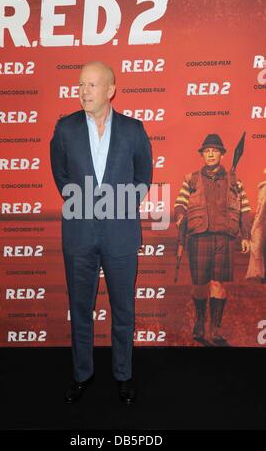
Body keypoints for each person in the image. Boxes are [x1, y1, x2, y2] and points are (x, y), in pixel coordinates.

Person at [50, 61, 152, 404]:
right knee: (80, 308)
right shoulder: (64, 129)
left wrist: (119, 206)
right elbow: (61, 177)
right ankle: (82, 374)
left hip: (120, 233)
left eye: (92, 85)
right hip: (79, 233)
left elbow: (143, 178)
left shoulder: (134, 130)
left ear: (110, 89)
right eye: (81, 85)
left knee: (123, 310)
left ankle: (123, 375)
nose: (83, 91)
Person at [174, 134, 251, 345]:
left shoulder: (235, 180)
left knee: (218, 283)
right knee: (200, 284)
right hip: (199, 236)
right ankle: (200, 322)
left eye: (214, 150)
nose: (210, 154)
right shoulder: (191, 178)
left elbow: (245, 209)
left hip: (224, 238)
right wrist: (181, 216)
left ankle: (215, 328)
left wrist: (246, 235)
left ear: (222, 154)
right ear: (202, 155)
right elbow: (180, 203)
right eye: (206, 151)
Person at [246, 168, 266, 282]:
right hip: (263, 223)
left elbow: (261, 209)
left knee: (260, 248)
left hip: (262, 223)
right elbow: (261, 209)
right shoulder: (263, 188)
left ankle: (260, 274)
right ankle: (260, 274)